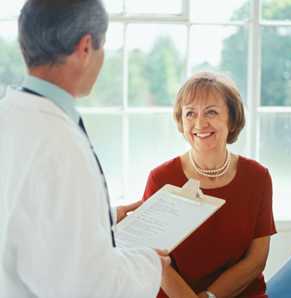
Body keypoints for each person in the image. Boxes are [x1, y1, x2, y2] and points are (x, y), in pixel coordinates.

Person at [0, 0, 170, 297]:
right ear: (86, 47)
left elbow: (25, 217)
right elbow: (88, 286)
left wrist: (107, 216)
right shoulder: (59, 145)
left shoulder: (10, 118)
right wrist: (150, 264)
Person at [143, 71, 277, 298]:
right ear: (181, 121)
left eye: (211, 112)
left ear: (232, 119)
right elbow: (154, 259)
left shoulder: (258, 177)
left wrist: (209, 296)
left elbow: (257, 259)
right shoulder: (161, 178)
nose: (199, 123)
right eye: (190, 114)